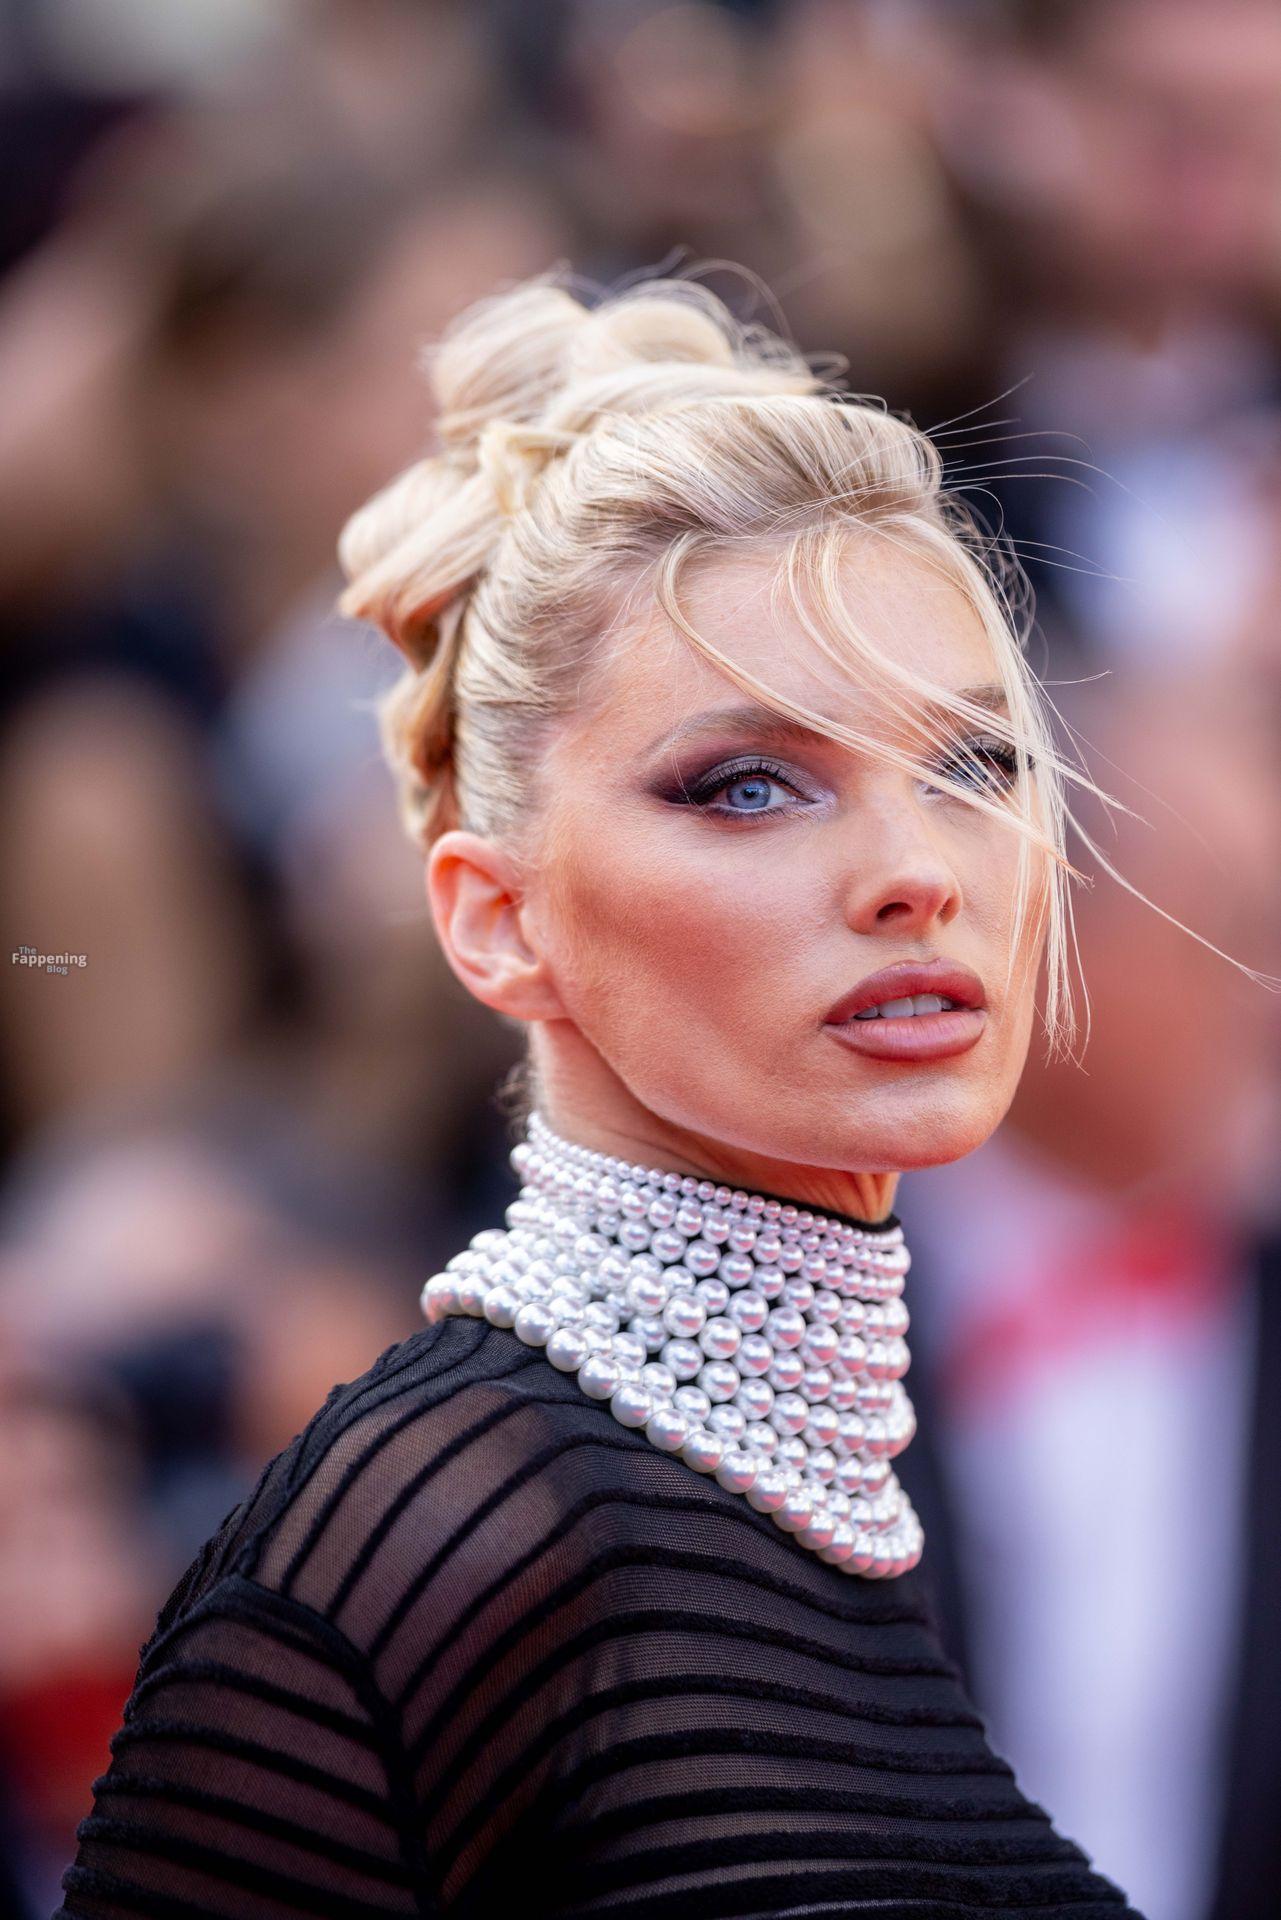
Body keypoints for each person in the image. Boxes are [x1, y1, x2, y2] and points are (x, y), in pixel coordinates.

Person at [63, 265, 1273, 1918]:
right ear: (496, 918)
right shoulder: (440, 1530)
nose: (917, 870)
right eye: (749, 785)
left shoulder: (806, 1524)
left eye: (971, 765)